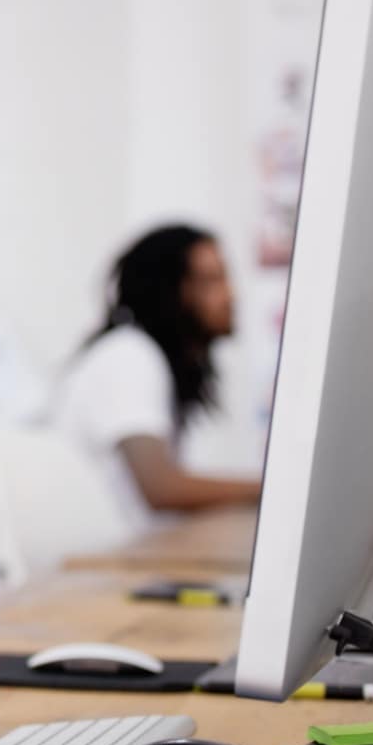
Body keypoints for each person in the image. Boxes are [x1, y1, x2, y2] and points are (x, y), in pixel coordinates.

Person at [53, 224, 262, 527]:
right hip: (102, 563)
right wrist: (268, 490)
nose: (230, 295)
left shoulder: (152, 360)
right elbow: (160, 489)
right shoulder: (128, 356)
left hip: (132, 557)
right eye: (212, 281)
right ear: (172, 292)